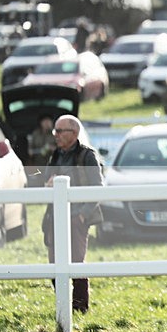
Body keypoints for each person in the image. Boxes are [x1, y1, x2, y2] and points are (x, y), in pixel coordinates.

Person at [41, 115, 104, 313]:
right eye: (55, 131)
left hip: (77, 218)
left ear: (74, 133)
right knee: (54, 264)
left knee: (77, 263)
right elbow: (45, 181)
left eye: (60, 131)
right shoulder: (55, 155)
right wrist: (48, 184)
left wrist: (83, 216)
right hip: (55, 217)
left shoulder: (87, 155)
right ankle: (64, 304)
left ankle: (79, 308)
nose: (56, 135)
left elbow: (98, 187)